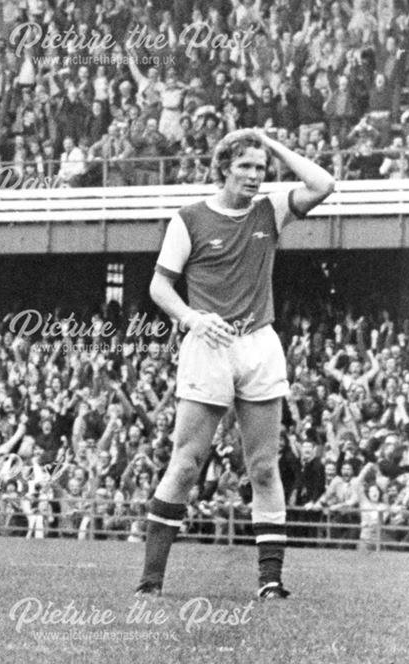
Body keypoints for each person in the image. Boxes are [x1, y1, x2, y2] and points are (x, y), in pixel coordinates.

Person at [136, 128, 335, 599]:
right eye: (244, 165)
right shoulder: (189, 219)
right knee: (186, 463)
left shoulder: (272, 208)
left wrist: (270, 142)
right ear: (224, 166)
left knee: (264, 467)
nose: (253, 175)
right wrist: (191, 319)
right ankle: (150, 581)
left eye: (261, 168)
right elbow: (159, 286)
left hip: (259, 344)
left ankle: (270, 582)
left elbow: (324, 183)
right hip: (209, 344)